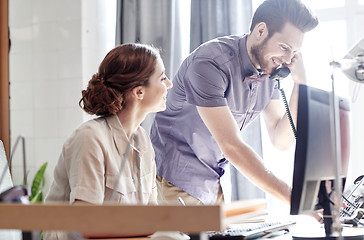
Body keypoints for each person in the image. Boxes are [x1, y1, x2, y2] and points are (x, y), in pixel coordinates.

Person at [150, 0, 319, 206]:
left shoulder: (269, 71)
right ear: (261, 30)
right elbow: (231, 146)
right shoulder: (211, 63)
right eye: (284, 47)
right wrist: (295, 199)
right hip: (174, 181)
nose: (287, 58)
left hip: (212, 182)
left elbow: (280, 139)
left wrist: (300, 84)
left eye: (294, 52)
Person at [44, 43, 173, 238]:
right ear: (139, 92)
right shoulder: (90, 137)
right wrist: (157, 225)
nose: (169, 84)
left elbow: (151, 212)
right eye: (162, 78)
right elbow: (86, 226)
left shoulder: (143, 141)